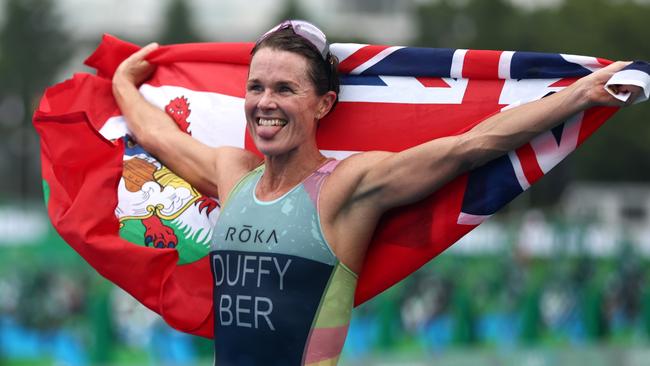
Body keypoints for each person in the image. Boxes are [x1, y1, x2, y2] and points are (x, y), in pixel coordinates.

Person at [112, 20, 642, 366]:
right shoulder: (233, 174)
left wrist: (581, 95)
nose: (264, 102)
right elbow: (158, 137)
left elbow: (472, 145)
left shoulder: (347, 187)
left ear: (323, 104)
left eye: (285, 89)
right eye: (257, 87)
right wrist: (120, 85)